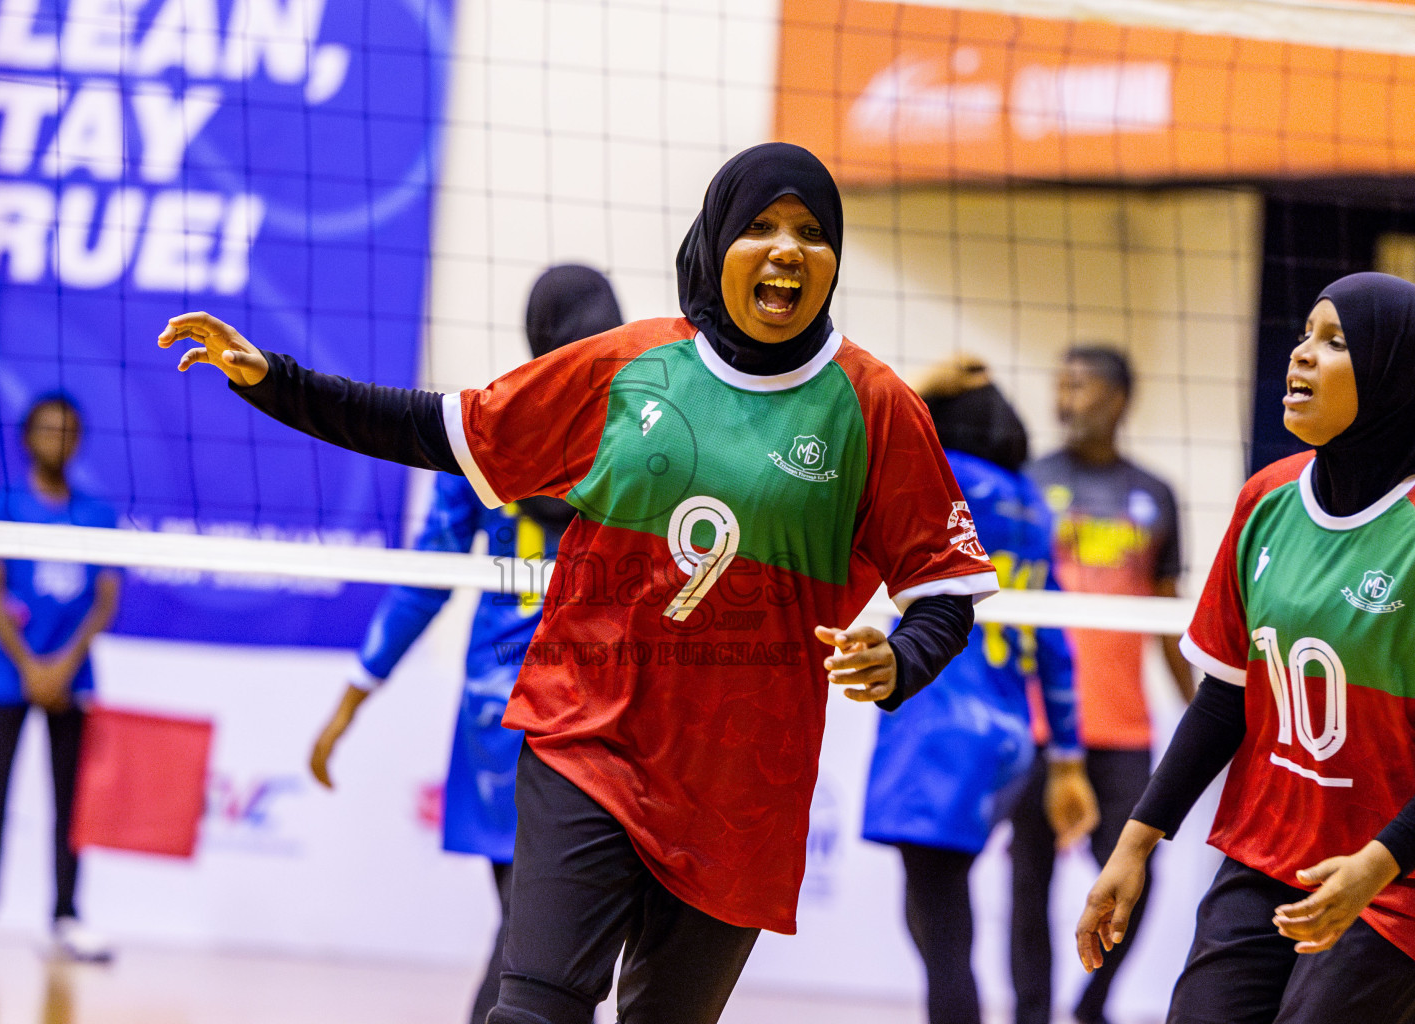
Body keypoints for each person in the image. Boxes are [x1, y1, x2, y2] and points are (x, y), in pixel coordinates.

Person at [160, 142, 1000, 1024]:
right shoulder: (630, 366)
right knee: (534, 1011)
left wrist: (901, 658)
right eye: (759, 227)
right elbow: (445, 428)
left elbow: (944, 591)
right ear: (716, 242)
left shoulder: (875, 406)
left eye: (810, 232)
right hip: (586, 735)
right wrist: (275, 382)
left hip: (740, 785)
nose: (787, 249)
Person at [1076, 271, 1415, 1023]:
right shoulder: (1268, 497)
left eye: (1335, 342)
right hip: (1266, 854)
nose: (1301, 356)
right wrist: (1135, 845)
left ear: (1395, 373)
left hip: (1394, 882)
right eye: (1303, 336)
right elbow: (1225, 699)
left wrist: (1379, 863)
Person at [308, 264, 622, 1024]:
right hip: (594, 714)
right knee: (540, 954)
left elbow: (423, 582)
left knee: (535, 944)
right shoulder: (648, 433)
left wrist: (353, 696)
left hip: (503, 715)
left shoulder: (491, 428)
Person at [862, 357, 1099, 1024]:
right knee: (940, 915)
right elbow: (1056, 643)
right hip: (1008, 738)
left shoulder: (950, 479)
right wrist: (1068, 757)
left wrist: (925, 386)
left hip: (941, 728)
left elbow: (873, 431)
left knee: (942, 933)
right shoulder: (1030, 504)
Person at [1010, 344, 1195, 1024]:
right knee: (1027, 884)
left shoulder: (1156, 493)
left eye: (1080, 386)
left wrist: (1208, 714)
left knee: (1133, 884)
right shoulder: (1028, 481)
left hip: (1124, 730)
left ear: (1117, 399)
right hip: (1038, 725)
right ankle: (1032, 1014)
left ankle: (1092, 1009)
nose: (1065, 397)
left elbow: (1168, 615)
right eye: (1060, 384)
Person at [0, 393, 122, 961]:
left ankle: (66, 917)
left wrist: (62, 666)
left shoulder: (97, 514)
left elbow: (105, 600)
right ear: (26, 438)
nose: (57, 440)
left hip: (72, 676)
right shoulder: (1, 505)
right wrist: (30, 666)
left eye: (68, 431)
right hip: (7, 675)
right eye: (47, 430)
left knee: (72, 802)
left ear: (80, 441)